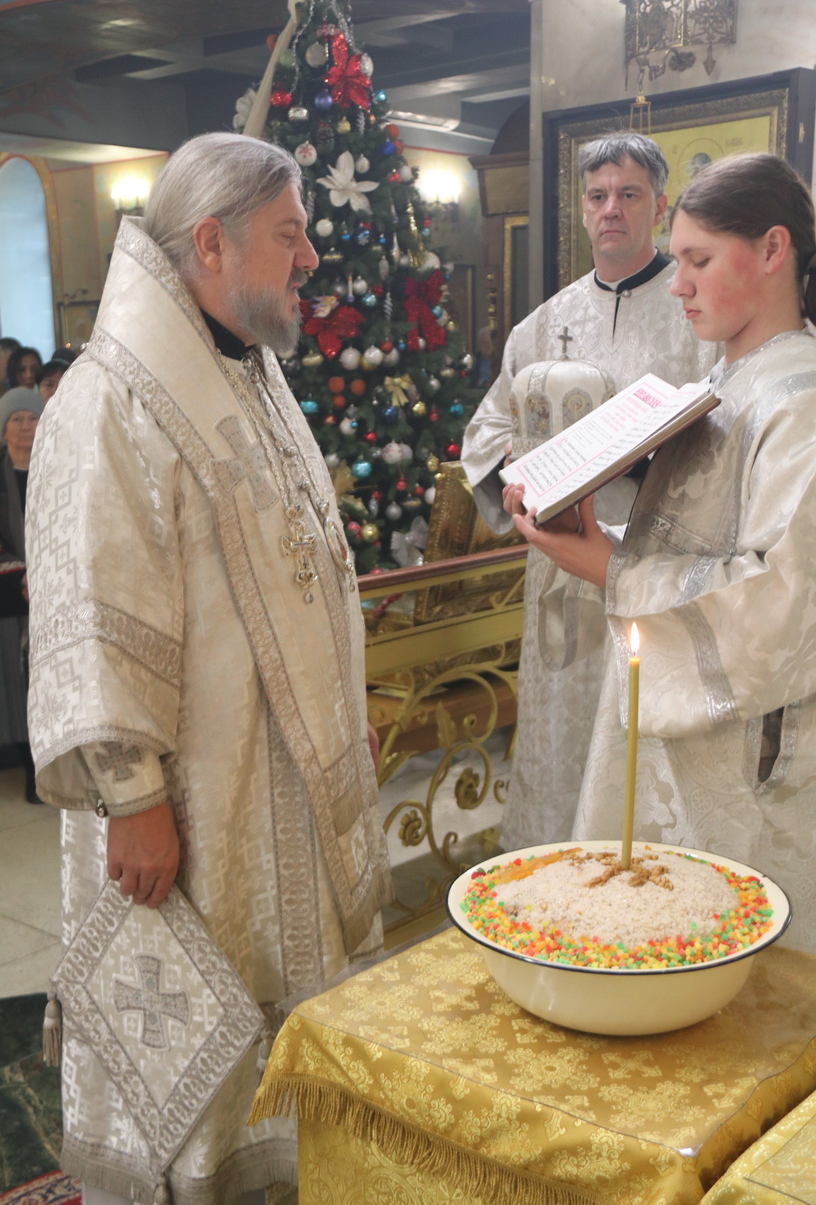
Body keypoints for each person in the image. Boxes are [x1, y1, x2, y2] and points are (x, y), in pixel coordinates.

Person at [26, 133, 391, 1205]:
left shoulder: (250, 371)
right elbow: (89, 611)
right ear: (212, 243)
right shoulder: (110, 401)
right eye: (291, 235)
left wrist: (344, 709)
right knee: (200, 1054)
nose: (311, 258)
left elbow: (308, 569)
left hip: (284, 778)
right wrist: (130, 796)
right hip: (188, 803)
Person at [507, 152, 816, 953]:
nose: (677, 285)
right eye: (677, 261)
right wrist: (598, 537)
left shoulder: (801, 401)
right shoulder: (730, 382)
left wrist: (611, 570)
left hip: (745, 766)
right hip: (671, 732)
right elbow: (690, 543)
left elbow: (779, 606)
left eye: (698, 261)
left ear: (773, 249)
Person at [462, 131, 719, 849]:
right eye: (599, 195)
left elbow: (721, 427)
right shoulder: (543, 325)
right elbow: (486, 429)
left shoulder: (695, 315)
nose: (612, 209)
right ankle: (554, 873)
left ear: (660, 207)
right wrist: (518, 470)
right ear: (582, 208)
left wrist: (640, 459)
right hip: (556, 575)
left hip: (649, 559)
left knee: (638, 742)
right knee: (561, 736)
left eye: (629, 194)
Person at [0, 389, 45, 802]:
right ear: (4, 429)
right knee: (17, 684)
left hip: (55, 584)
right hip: (11, 595)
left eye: (33, 418)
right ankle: (31, 770)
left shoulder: (58, 464)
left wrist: (46, 568)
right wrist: (24, 571)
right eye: (16, 420)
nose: (26, 427)